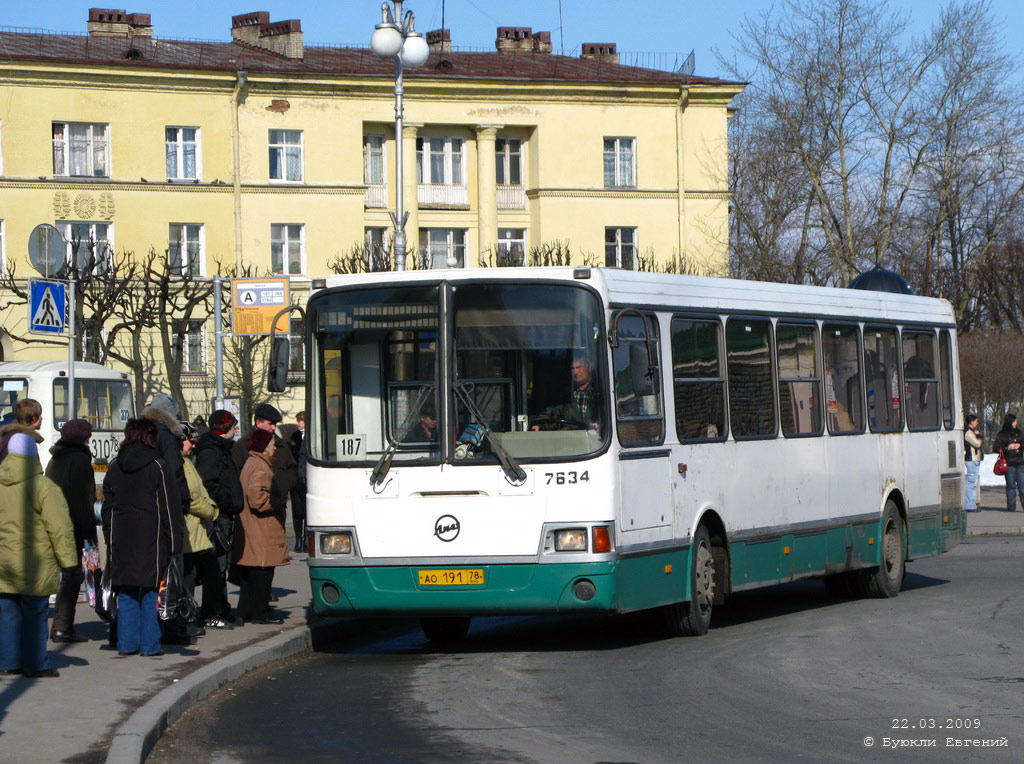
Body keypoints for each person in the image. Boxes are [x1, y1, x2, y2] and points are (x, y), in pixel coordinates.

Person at [101, 418, 182, 657]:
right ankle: (149, 645)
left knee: (125, 591)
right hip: (152, 536)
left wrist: (109, 536)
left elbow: (108, 506)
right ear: (150, 437)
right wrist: (175, 542)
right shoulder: (158, 466)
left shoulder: (115, 466)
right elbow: (169, 506)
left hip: (121, 536)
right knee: (150, 590)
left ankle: (126, 644)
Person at [0, 433, 77, 678]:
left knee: (8, 613)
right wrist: (69, 563)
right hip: (36, 562)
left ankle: (8, 662)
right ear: (33, 454)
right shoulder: (44, 487)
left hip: (3, 562)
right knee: (34, 613)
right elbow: (59, 528)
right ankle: (36, 664)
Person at [45, 418, 97, 642]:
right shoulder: (79, 460)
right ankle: (62, 626)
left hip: (53, 522)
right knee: (72, 574)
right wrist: (89, 532)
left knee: (61, 574)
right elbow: (82, 501)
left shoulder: (56, 458)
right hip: (72, 524)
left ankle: (61, 626)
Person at [179, 420, 232, 630]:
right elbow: (191, 497)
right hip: (189, 530)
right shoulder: (179, 463)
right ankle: (187, 618)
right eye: (190, 441)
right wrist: (210, 511)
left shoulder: (188, 462)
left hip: (198, 531)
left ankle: (194, 616)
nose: (193, 445)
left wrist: (210, 507)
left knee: (201, 574)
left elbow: (200, 491)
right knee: (188, 578)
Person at [194, 409, 243, 625]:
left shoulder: (221, 450)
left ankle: (220, 609)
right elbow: (210, 484)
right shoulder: (211, 452)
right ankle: (213, 612)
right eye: (233, 426)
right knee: (216, 566)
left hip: (224, 514)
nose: (236, 430)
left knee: (221, 565)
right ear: (224, 429)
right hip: (218, 516)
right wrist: (227, 501)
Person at [236, 429, 289, 624]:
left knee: (252, 573)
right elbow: (257, 498)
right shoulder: (260, 467)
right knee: (262, 572)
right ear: (264, 448)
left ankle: (247, 610)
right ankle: (261, 613)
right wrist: (274, 504)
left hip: (253, 526)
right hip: (261, 527)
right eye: (272, 445)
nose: (275, 448)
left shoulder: (252, 462)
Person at [532, 352, 602, 433]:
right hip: (569, 441)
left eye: (579, 367)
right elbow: (552, 412)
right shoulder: (565, 395)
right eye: (573, 368)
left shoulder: (600, 392)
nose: (575, 372)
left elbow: (612, 419)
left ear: (589, 367)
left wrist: (602, 427)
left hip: (598, 443)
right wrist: (539, 425)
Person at [992, 413, 1024, 512]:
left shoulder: (1019, 432)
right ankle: (1011, 507)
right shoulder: (1002, 434)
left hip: (1020, 462)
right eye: (1014, 421)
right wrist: (1007, 447)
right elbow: (996, 448)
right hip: (1008, 463)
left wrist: (1020, 445)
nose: (1016, 423)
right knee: (1011, 486)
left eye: (1016, 421)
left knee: (1022, 485)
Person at [0, 398, 45, 464]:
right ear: (34, 419)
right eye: (39, 415)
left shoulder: (9, 435)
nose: (41, 418)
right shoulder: (24, 440)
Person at [288, 411, 307, 553]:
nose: (297, 424)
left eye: (299, 421)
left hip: (307, 477)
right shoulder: (294, 436)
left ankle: (306, 539)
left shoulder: (313, 436)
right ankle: (298, 539)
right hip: (295, 478)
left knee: (307, 511)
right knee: (297, 510)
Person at [964, 414, 983, 513]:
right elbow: (977, 443)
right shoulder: (968, 433)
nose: (977, 423)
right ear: (971, 422)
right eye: (976, 421)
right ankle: (969, 505)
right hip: (972, 460)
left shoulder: (971, 432)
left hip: (974, 460)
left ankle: (972, 505)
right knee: (971, 483)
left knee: (973, 483)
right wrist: (979, 436)